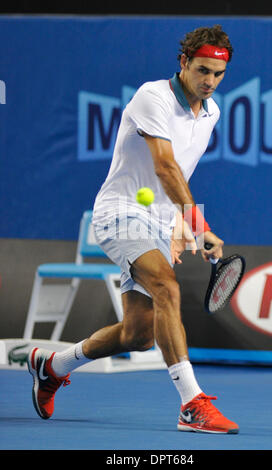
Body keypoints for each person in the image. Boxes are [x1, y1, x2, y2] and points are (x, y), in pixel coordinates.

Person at [27, 24, 239, 434]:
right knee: (167, 286)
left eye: (218, 74)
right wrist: (200, 225)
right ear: (184, 63)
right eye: (202, 71)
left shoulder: (212, 112)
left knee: (138, 334)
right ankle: (191, 404)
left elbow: (180, 172)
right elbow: (164, 166)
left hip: (156, 222)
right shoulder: (152, 97)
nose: (210, 81)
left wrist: (176, 223)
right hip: (119, 213)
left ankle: (51, 366)